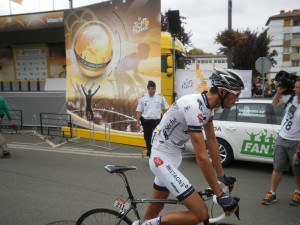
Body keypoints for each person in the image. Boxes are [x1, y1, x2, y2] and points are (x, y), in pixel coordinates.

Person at [134, 68, 243, 225]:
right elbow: (201, 156)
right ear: (221, 91)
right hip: (161, 158)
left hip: (172, 157)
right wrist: (220, 194)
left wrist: (221, 175)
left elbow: (212, 141)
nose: (237, 99)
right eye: (236, 94)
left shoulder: (208, 108)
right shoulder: (193, 107)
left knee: (157, 205)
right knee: (200, 213)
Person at [261, 77, 300, 206]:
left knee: (297, 170)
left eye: (297, 87)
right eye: (294, 87)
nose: (294, 89)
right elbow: (274, 103)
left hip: (296, 142)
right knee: (277, 167)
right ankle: (272, 193)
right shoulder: (291, 99)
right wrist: (279, 92)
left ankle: (298, 192)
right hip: (282, 138)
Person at [136, 80, 169, 157]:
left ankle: (156, 155)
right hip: (146, 121)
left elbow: (167, 108)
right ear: (148, 88)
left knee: (157, 138)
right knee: (147, 138)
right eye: (152, 89)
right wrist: (137, 122)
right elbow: (139, 110)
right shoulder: (143, 98)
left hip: (157, 122)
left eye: (154, 88)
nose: (153, 90)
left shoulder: (160, 97)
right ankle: (150, 154)